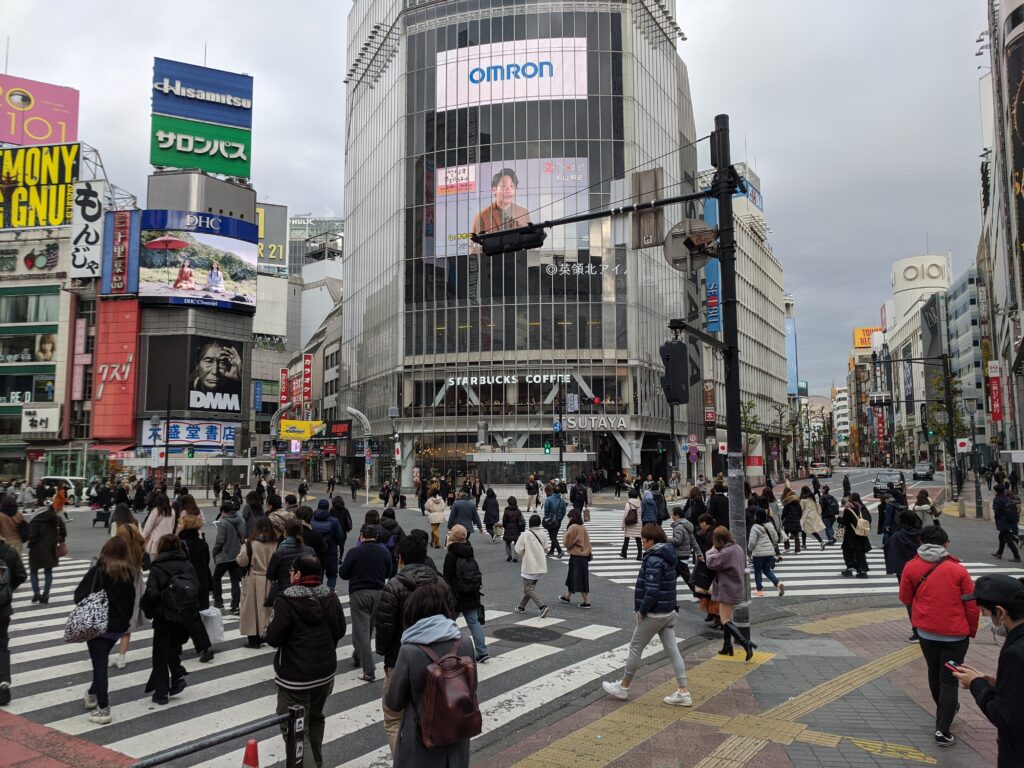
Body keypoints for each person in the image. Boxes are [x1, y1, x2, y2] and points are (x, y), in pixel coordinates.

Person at [899, 525, 979, 747]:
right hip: (955, 636)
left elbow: (905, 597)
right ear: (945, 544)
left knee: (934, 673)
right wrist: (971, 629)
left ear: (921, 543)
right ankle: (942, 729)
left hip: (926, 632)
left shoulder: (911, 567)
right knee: (949, 681)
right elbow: (971, 605)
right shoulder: (958, 570)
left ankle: (945, 712)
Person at [374, 536, 454, 754]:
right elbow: (452, 616)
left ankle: (402, 760)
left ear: (400, 558)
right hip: (437, 658)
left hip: (399, 658)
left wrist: (384, 652)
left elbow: (384, 626)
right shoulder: (440, 582)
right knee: (431, 712)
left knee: (393, 717)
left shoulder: (395, 585)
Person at [384, 582, 477, 766]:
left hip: (421, 741)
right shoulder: (464, 643)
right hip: (457, 735)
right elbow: (473, 688)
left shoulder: (410, 651)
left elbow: (394, 702)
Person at [265, 554, 346, 768]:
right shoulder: (330, 596)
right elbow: (340, 630)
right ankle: (316, 762)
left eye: (292, 571)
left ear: (298, 573)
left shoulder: (286, 601)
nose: (290, 574)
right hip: (325, 673)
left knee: (294, 729)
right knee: (315, 719)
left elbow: (273, 638)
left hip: (296, 676)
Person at [602, 523, 692, 706]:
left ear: (652, 540)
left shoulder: (654, 559)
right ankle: (683, 692)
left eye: (644, 539)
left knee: (635, 647)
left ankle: (624, 687)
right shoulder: (668, 555)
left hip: (655, 613)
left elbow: (652, 591)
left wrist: (642, 611)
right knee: (673, 651)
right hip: (669, 611)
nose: (642, 542)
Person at [951, 574, 1024, 767]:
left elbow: (1005, 717)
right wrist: (1001, 685)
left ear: (1000, 612)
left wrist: (977, 685)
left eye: (984, 611)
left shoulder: (1015, 653)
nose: (984, 617)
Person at [74, 537, 136, 724]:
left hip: (98, 624)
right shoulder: (128, 573)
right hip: (118, 627)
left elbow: (79, 596)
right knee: (100, 662)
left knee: (100, 666)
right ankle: (92, 694)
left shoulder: (98, 572)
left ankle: (103, 708)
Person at [140, 534, 199, 704]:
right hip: (184, 613)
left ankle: (161, 692)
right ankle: (177, 678)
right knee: (173, 649)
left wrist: (148, 608)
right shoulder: (187, 564)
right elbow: (196, 586)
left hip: (164, 615)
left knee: (160, 654)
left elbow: (152, 593)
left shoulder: (158, 567)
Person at [340, 524, 392, 682]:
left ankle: (369, 671)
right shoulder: (384, 551)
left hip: (359, 593)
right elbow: (389, 572)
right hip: (379, 593)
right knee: (367, 629)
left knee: (360, 632)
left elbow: (343, 573)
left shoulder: (354, 552)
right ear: (376, 536)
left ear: (361, 535)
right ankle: (357, 656)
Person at [705, 527, 756, 660]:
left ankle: (746, 643)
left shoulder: (726, 552)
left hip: (727, 588)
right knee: (727, 618)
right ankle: (727, 646)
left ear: (719, 540)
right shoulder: (738, 548)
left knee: (725, 620)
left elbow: (711, 562)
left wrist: (712, 551)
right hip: (736, 586)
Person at [443, 524, 489, 663]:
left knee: (446, 623)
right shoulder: (469, 551)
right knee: (474, 623)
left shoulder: (451, 554)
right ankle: (482, 652)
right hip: (471, 592)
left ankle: (445, 652)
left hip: (456, 595)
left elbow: (447, 578)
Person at [236, 517, 278, 649]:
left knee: (250, 609)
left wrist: (243, 547)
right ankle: (265, 634)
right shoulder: (275, 543)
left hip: (253, 577)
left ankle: (253, 639)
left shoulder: (251, 543)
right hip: (269, 578)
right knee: (266, 608)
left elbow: (242, 561)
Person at [178, 513, 215, 663]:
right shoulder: (202, 543)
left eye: (181, 523)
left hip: (187, 583)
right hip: (202, 582)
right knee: (191, 614)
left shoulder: (181, 543)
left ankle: (204, 647)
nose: (179, 525)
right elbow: (206, 562)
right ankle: (180, 643)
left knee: (189, 615)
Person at [884, 511, 923, 642]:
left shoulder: (897, 536)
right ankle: (927, 628)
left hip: (904, 572)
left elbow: (889, 551)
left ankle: (916, 630)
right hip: (923, 571)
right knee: (925, 598)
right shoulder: (922, 535)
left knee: (909, 601)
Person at [470, 168, 530, 251]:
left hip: (519, 260)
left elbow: (530, 243)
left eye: (512, 186)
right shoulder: (482, 216)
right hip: (492, 261)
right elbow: (475, 248)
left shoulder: (523, 212)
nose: (508, 190)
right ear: (494, 190)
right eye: (503, 186)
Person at [0, 529, 27, 705]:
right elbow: (21, 575)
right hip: (2, 608)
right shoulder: (8, 551)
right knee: (2, 644)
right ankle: (3, 682)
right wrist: (7, 590)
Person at [267, 519, 316, 602]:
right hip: (305, 592)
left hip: (284, 593)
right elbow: (316, 571)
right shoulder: (309, 551)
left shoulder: (278, 553)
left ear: (285, 532)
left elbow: (271, 576)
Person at [27, 503, 66, 603]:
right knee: (48, 572)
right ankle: (46, 595)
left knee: (33, 571)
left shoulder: (35, 520)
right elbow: (63, 533)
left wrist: (31, 544)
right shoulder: (57, 519)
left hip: (36, 550)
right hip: (51, 549)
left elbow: (32, 536)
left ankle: (36, 593)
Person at [212, 501, 246, 614]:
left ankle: (218, 603)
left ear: (223, 511)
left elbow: (220, 541)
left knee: (216, 578)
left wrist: (215, 551)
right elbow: (244, 535)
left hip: (225, 556)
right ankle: (235, 605)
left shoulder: (223, 523)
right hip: (237, 555)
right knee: (235, 580)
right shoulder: (241, 520)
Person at [514, 514, 550, 616]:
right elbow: (546, 549)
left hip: (529, 565)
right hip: (540, 565)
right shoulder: (543, 534)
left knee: (528, 589)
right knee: (530, 588)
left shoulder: (525, 534)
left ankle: (542, 607)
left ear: (530, 523)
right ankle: (521, 606)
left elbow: (518, 549)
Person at [560, 509, 592, 608]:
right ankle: (567, 596)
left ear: (572, 517)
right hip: (584, 555)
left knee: (579, 578)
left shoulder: (573, 527)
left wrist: (564, 535)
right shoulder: (583, 527)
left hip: (576, 556)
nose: (568, 519)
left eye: (569, 517)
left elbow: (566, 543)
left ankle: (587, 601)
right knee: (573, 576)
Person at [748, 508, 783, 597]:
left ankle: (759, 590)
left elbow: (752, 542)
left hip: (758, 554)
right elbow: (775, 539)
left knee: (758, 571)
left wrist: (750, 549)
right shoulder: (770, 525)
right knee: (767, 570)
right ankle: (777, 583)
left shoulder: (755, 527)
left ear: (757, 517)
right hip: (770, 553)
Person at [311, 499, 344, 591]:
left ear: (317, 507)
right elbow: (339, 537)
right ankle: (330, 593)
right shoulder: (334, 521)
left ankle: (318, 593)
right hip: (330, 551)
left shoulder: (312, 520)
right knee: (332, 575)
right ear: (328, 508)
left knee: (317, 575)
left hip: (316, 553)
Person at [840, 494, 872, 578]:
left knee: (847, 552)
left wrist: (839, 519)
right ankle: (862, 571)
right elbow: (869, 519)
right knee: (860, 553)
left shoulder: (848, 510)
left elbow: (845, 522)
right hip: (861, 534)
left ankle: (849, 569)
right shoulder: (862, 508)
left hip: (851, 535)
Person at [669, 507, 698, 586]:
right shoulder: (687, 524)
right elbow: (693, 541)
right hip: (685, 554)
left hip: (680, 554)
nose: (672, 517)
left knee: (687, 577)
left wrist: (666, 539)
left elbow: (677, 541)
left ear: (677, 515)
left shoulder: (678, 527)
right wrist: (699, 553)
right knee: (672, 576)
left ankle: (697, 593)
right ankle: (667, 589)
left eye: (673, 515)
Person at [991, 485, 1021, 562]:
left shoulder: (997, 500)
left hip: (1002, 521)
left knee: (1008, 540)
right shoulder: (1006, 498)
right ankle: (999, 553)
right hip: (1008, 520)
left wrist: (997, 518)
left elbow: (996, 511)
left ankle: (1017, 556)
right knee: (1001, 537)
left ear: (996, 491)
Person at [142, 493, 176, 557]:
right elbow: (172, 525)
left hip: (156, 541)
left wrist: (142, 538)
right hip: (168, 540)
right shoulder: (172, 511)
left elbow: (148, 527)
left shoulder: (156, 511)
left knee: (154, 560)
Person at [542, 483, 567, 557]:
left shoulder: (549, 499)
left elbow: (546, 510)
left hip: (550, 520)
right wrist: (560, 518)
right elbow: (564, 511)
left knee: (552, 537)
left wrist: (546, 519)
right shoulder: (562, 500)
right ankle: (551, 551)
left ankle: (560, 550)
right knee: (554, 535)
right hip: (558, 520)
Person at [799, 487, 827, 551]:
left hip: (807, 517)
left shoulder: (803, 499)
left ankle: (822, 542)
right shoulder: (812, 497)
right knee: (804, 530)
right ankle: (803, 544)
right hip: (813, 516)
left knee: (812, 531)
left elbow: (801, 509)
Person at [501, 496, 526, 562]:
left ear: (508, 502)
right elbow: (520, 521)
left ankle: (509, 555)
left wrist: (505, 526)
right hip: (516, 529)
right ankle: (515, 557)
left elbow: (504, 521)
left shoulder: (506, 511)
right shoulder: (518, 511)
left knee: (507, 543)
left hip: (508, 528)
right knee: (516, 543)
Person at [780, 489, 802, 553]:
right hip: (796, 522)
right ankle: (797, 550)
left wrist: (782, 519)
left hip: (788, 522)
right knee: (796, 536)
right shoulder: (798, 504)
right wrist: (798, 518)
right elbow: (800, 513)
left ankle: (787, 547)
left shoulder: (787, 505)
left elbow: (784, 513)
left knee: (785, 535)